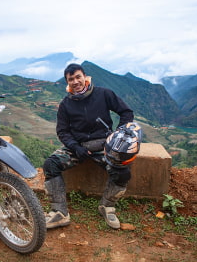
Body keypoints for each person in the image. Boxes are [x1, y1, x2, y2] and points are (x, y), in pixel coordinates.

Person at [42, 64, 135, 230]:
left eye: (78, 77)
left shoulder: (104, 94)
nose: (76, 81)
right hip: (77, 147)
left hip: (104, 145)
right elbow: (62, 131)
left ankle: (107, 206)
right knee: (51, 164)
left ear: (85, 76)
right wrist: (76, 147)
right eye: (71, 79)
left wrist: (117, 137)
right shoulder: (66, 104)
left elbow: (126, 113)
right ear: (67, 82)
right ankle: (60, 212)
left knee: (123, 171)